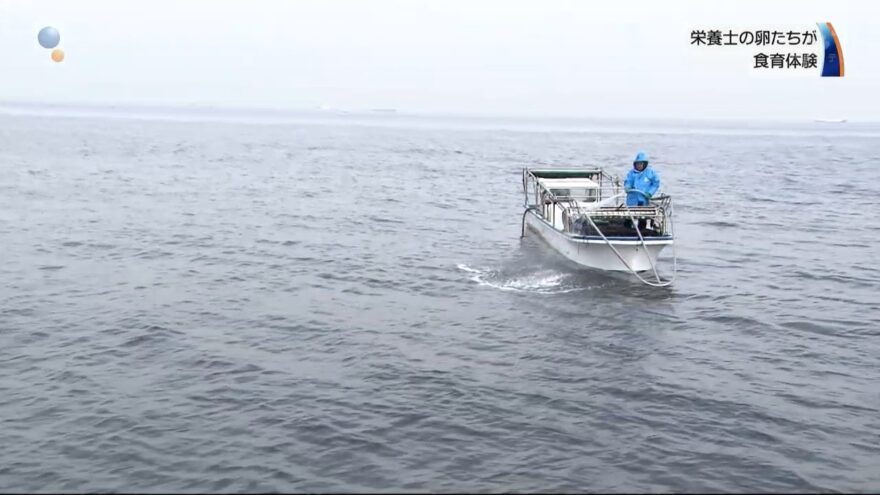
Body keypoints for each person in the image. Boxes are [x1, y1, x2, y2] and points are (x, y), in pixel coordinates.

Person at [623, 151, 660, 232]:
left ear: (644, 164)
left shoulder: (650, 173)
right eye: (637, 164)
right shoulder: (631, 173)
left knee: (642, 218)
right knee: (629, 218)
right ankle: (628, 232)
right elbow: (628, 181)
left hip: (644, 200)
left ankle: (642, 233)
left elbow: (656, 183)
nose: (639, 166)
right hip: (632, 200)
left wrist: (650, 193)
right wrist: (627, 187)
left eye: (641, 164)